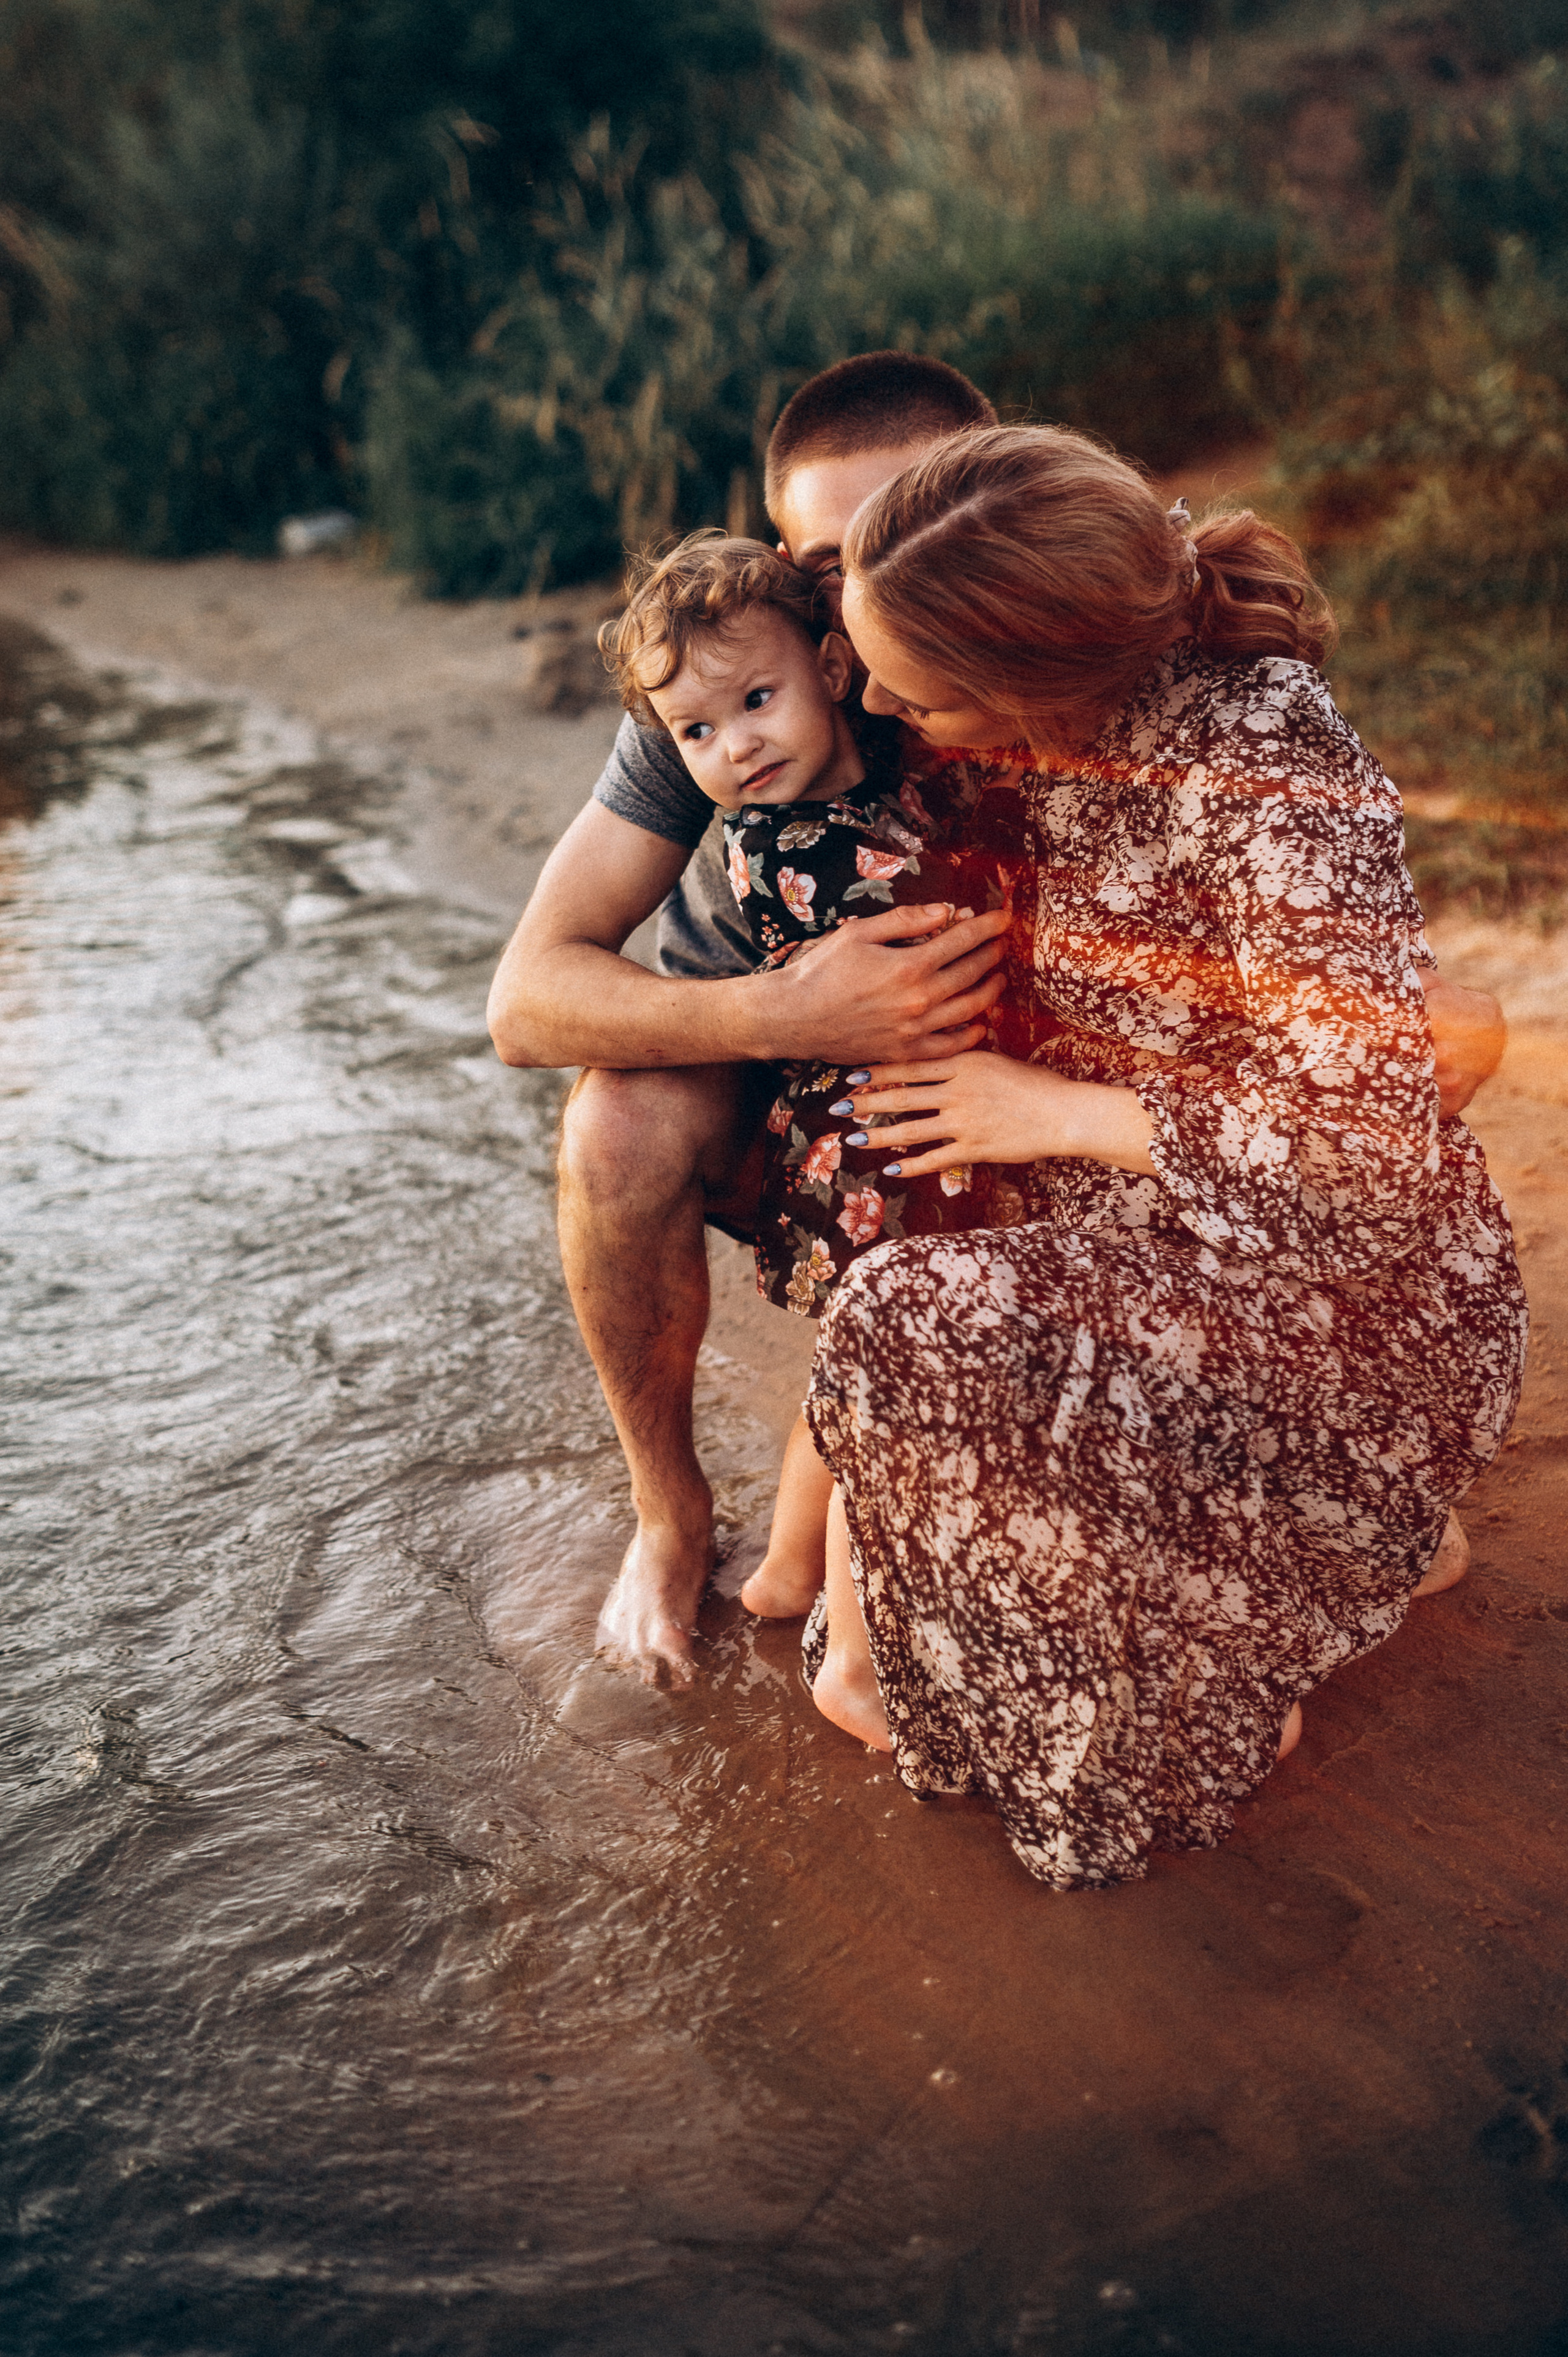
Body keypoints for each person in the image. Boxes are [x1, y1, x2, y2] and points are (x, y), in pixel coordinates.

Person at [485, 351, 1506, 1685]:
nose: (859, 609)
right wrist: (782, 1007)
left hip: (1014, 1061)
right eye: (825, 567)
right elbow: (527, 999)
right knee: (612, 1124)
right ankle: (671, 1516)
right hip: (780, 1054)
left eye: (891, 542)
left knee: (1443, 1030)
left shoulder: (1080, 615)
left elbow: (1304, 944)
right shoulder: (749, 656)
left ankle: (1289, 1422)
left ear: (997, 502)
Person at [793, 424, 1528, 1888]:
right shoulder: (1027, 724)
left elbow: (1364, 1144)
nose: (870, 701)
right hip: (1127, 1246)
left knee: (913, 1320)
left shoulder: (1263, 751)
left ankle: (1256, 1626)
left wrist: (1046, 1113)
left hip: (1341, 1292)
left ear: (1035, 678)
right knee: (897, 1310)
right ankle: (1281, 1584)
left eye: (909, 685)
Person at [597, 527, 1013, 1614]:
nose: (733, 747)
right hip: (883, 1148)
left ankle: (790, 1570)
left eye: (754, 704)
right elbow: (945, 909)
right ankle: (849, 1618)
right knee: (878, 1379)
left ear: (833, 673)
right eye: (694, 731)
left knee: (853, 1374)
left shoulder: (860, 786)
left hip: (896, 1128)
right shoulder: (785, 845)